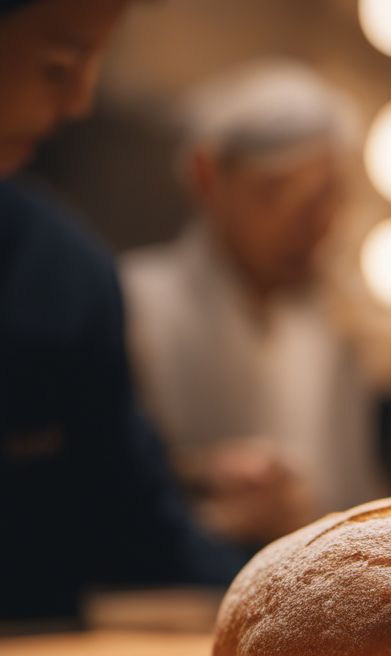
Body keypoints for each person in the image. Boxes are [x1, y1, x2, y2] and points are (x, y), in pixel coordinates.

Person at [0, 0, 245, 621]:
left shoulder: (61, 274)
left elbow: (133, 521)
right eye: (59, 65)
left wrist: (296, 577)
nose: (80, 102)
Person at [122, 61, 382, 548]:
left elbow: (356, 498)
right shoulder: (133, 302)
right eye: (275, 192)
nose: (313, 222)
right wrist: (201, 483)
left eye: (326, 194)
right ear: (207, 177)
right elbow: (96, 485)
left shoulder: (333, 322)